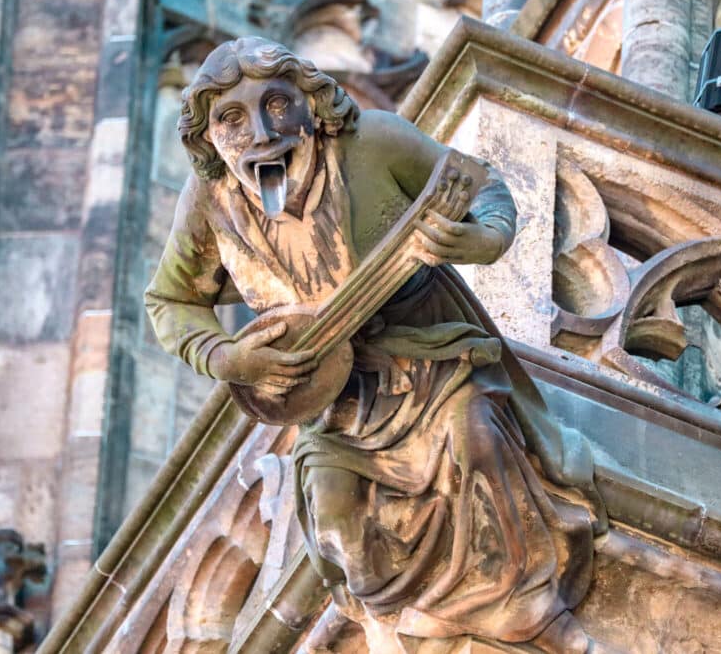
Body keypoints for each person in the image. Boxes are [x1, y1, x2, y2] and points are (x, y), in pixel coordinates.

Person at [145, 36, 604, 653]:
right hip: (341, 401)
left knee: (479, 442)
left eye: (276, 106)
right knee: (335, 517)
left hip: (436, 358)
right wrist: (227, 356)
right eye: (232, 119)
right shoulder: (211, 205)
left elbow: (484, 187)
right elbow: (168, 302)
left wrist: (479, 239)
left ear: (310, 103)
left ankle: (531, 613)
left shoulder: (373, 144)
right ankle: (411, 629)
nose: (259, 132)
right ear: (207, 136)